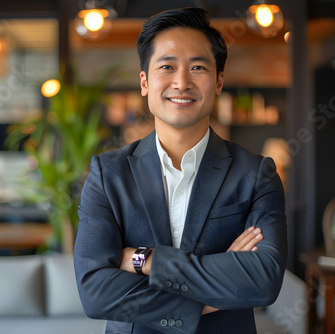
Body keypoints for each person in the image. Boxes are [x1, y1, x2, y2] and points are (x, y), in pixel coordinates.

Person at [74, 7, 287, 334]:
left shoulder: (257, 174)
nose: (182, 81)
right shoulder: (108, 174)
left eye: (198, 67)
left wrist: (144, 260)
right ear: (145, 82)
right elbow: (96, 294)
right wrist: (212, 290)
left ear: (218, 82)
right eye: (167, 66)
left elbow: (263, 282)